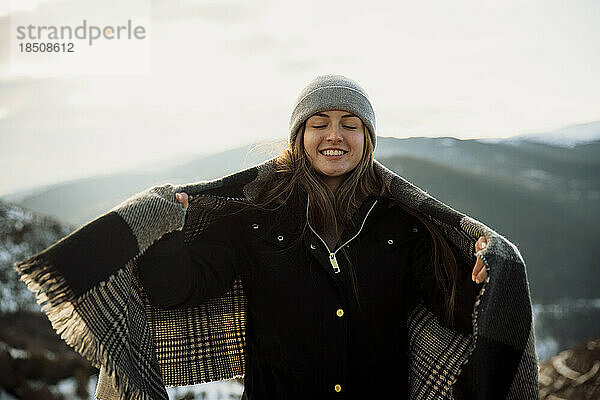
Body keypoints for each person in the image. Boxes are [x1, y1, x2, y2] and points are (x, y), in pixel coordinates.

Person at [136, 74, 488, 399]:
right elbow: (176, 289)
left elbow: (460, 312)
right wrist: (166, 234)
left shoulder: (402, 224)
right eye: (319, 123)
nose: (334, 135)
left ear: (367, 140)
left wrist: (483, 278)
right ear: (299, 138)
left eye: (349, 125)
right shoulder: (255, 217)